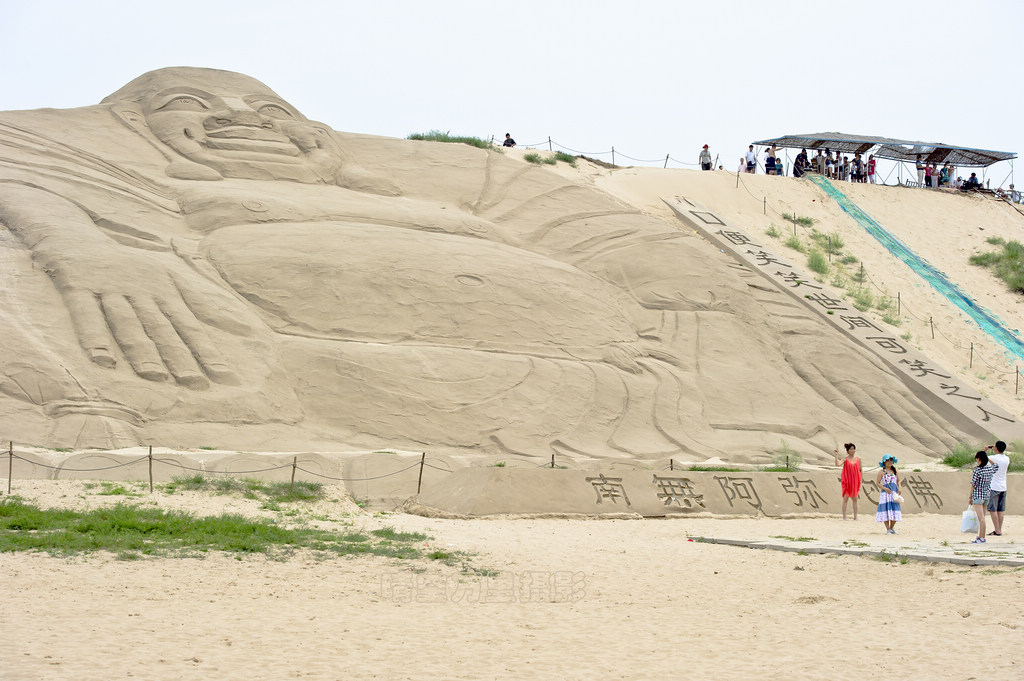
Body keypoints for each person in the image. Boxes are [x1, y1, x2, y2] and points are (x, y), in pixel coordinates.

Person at [969, 450, 997, 543]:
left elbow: (973, 484)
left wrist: (970, 497)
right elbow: (996, 465)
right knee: (983, 518)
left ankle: (982, 538)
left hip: (978, 495)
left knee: (981, 518)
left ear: (979, 459)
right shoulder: (989, 469)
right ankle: (981, 536)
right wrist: (988, 458)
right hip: (986, 495)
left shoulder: (977, 470)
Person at [834, 442, 863, 520]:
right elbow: (837, 464)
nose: (852, 450)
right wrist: (836, 455)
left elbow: (860, 470)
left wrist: (860, 481)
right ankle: (844, 517)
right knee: (845, 499)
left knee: (855, 500)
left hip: (855, 482)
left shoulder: (858, 459)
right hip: (847, 482)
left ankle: (855, 517)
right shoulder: (845, 459)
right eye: (851, 449)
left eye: (853, 449)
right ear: (847, 450)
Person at [986, 441, 1009, 536]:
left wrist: (985, 449)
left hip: (993, 486)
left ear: (996, 448)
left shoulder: (992, 458)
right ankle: (999, 529)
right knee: (1000, 510)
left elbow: (980, 457)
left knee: (992, 509)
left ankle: (997, 529)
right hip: (1003, 486)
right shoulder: (1007, 458)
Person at [875, 454, 902, 534]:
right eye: (888, 461)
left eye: (891, 460)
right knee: (886, 510)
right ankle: (888, 529)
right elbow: (878, 483)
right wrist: (885, 488)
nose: (890, 462)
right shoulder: (881, 472)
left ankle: (891, 528)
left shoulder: (895, 471)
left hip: (894, 493)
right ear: (884, 462)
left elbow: (898, 481)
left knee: (895, 509)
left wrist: (899, 488)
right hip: (885, 494)